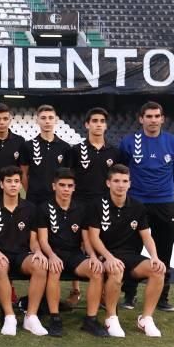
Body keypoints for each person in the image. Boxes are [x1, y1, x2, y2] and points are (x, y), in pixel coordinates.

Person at [85, 164, 167, 338]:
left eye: (124, 181)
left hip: (130, 256)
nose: (120, 185)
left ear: (130, 184)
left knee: (158, 270)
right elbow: (93, 237)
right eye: (116, 181)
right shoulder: (97, 204)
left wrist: (154, 257)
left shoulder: (137, 207)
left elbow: (146, 236)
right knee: (116, 269)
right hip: (105, 254)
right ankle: (111, 318)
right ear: (108, 183)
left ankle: (146, 318)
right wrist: (108, 257)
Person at [118, 101, 174, 312]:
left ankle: (163, 297)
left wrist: (163, 190)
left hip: (164, 204)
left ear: (162, 119)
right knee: (131, 249)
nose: (153, 120)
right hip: (136, 204)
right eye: (149, 116)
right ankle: (129, 294)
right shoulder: (129, 142)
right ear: (141, 119)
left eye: (157, 116)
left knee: (164, 251)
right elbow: (123, 170)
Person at [35, 168, 108, 338]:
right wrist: (52, 256)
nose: (66, 189)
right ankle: (55, 318)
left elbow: (86, 240)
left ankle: (90, 320)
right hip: (52, 253)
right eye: (62, 185)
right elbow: (43, 240)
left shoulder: (82, 209)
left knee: (97, 271)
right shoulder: (44, 208)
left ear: (74, 188)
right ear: (54, 186)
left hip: (74, 254)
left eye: (69, 185)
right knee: (54, 269)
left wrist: (92, 257)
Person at [0, 166, 49, 336]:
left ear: (20, 185)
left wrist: (38, 252)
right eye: (9, 181)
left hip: (22, 255)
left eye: (16, 181)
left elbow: (33, 241)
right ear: (1, 184)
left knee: (40, 265)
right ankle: (9, 316)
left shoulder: (31, 208)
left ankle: (31, 317)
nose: (13, 185)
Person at [63, 107, 120, 307]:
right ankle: (75, 290)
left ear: (106, 125)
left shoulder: (114, 152)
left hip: (104, 207)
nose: (98, 124)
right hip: (79, 205)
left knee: (102, 245)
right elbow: (68, 178)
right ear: (87, 124)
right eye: (94, 120)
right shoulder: (75, 150)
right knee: (77, 245)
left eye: (101, 121)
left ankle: (103, 291)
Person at [19, 104, 71, 207]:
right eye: (43, 118)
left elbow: (67, 176)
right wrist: (26, 195)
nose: (47, 121)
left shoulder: (65, 147)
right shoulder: (27, 146)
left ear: (55, 120)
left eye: (50, 118)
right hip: (34, 199)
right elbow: (23, 174)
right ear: (37, 120)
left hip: (56, 199)